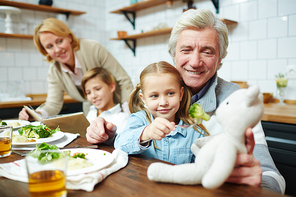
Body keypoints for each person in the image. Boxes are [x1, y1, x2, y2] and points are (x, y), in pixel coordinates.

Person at [86, 9, 285, 193]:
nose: (195, 62)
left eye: (207, 51)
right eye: (186, 50)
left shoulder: (235, 100)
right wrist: (108, 135)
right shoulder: (157, 87)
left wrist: (259, 182)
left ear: (220, 59)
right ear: (173, 54)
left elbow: (272, 177)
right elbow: (132, 138)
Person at [18, 18, 133, 120]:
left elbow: (123, 80)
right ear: (45, 51)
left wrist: (129, 112)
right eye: (50, 46)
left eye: (59, 41)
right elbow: (53, 104)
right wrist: (36, 114)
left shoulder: (93, 49)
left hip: (120, 108)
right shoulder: (54, 72)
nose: (57, 49)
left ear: (69, 37)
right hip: (93, 113)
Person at [114, 61, 209, 164]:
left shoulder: (194, 131)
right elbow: (119, 145)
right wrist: (146, 133)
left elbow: (204, 167)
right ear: (144, 99)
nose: (163, 103)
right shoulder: (138, 119)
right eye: (154, 96)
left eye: (170, 93)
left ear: (180, 94)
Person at [81, 67, 129, 137]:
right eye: (88, 92)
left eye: (97, 89)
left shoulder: (123, 118)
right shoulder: (91, 113)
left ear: (111, 87)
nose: (93, 96)